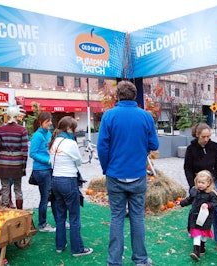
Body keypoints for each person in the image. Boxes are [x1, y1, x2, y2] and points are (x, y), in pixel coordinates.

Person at [97, 80, 159, 266]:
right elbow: (154, 145)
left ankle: (114, 261)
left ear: (118, 96)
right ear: (134, 96)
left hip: (115, 174)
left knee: (116, 218)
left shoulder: (109, 116)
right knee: (137, 217)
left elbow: (102, 147)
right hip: (138, 174)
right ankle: (140, 259)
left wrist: (106, 168)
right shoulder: (145, 116)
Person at [49, 116, 93, 256]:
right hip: (68, 180)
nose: (74, 131)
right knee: (74, 216)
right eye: (74, 128)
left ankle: (60, 245)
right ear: (68, 128)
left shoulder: (54, 142)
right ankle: (77, 248)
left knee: (60, 215)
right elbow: (79, 162)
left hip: (55, 180)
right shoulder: (71, 143)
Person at [184, 123, 217, 247]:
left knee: (216, 208)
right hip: (197, 181)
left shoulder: (214, 146)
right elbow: (187, 168)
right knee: (196, 207)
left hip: (211, 181)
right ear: (197, 135)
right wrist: (192, 185)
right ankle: (191, 228)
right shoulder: (191, 149)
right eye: (203, 136)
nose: (206, 139)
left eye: (208, 136)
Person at [179, 170, 217, 261]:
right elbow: (189, 199)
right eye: (199, 182)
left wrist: (208, 205)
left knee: (203, 235)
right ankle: (196, 252)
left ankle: (202, 246)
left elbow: (215, 204)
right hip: (195, 217)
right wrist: (181, 203)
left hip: (205, 218)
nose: (200, 185)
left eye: (203, 183)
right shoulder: (195, 191)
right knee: (196, 234)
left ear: (208, 183)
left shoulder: (212, 194)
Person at [0, 105, 28, 209]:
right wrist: (23, 165)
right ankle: (20, 212)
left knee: (5, 187)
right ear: (18, 115)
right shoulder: (22, 130)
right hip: (17, 163)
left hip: (3, 163)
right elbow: (25, 150)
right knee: (18, 188)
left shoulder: (1, 129)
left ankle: (5, 210)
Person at [29, 112, 58, 232]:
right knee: (45, 198)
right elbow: (33, 153)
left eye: (51, 121)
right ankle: (42, 224)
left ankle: (59, 221)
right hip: (41, 171)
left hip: (49, 170)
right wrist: (48, 161)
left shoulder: (48, 134)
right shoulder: (37, 136)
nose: (50, 123)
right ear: (41, 122)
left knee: (54, 197)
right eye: (48, 121)